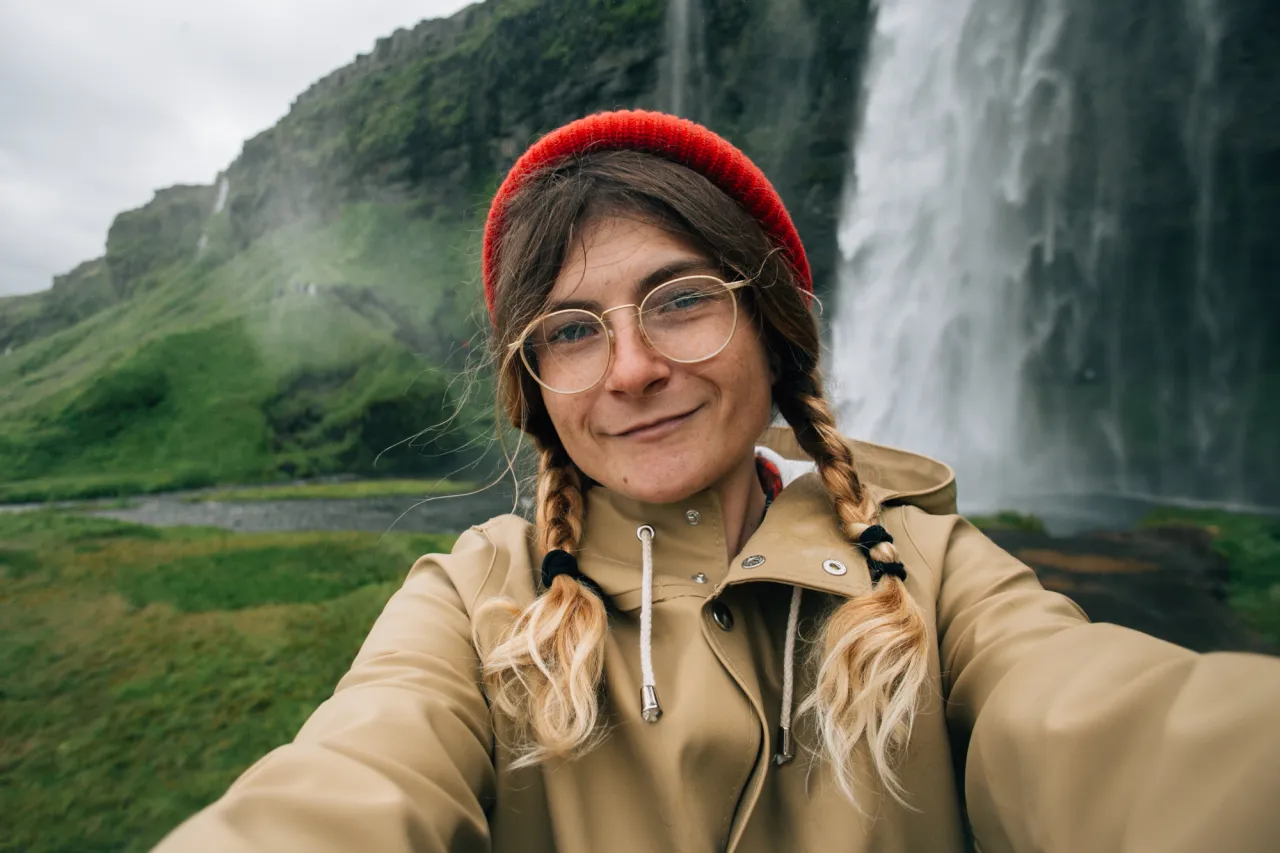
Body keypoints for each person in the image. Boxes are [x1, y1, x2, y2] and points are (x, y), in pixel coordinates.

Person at [154, 110, 1280, 853]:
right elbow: (347, 782)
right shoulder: (466, 603)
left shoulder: (933, 570)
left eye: (682, 297)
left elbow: (1105, 722)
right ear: (534, 382)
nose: (633, 368)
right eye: (571, 330)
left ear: (772, 326)